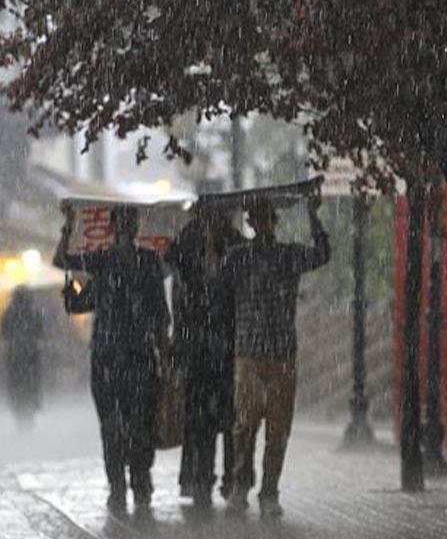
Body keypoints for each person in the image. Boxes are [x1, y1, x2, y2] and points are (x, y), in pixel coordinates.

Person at [54, 205, 170, 514]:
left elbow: (160, 312)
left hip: (139, 357)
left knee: (140, 423)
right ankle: (119, 484)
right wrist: (68, 227)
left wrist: (164, 351)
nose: (125, 229)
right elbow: (63, 262)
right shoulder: (102, 262)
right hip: (108, 357)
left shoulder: (147, 262)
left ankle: (139, 481)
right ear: (115, 227)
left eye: (128, 223)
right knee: (112, 425)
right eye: (121, 223)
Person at [221, 194, 330, 518]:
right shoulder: (238, 257)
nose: (262, 223)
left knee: (278, 429)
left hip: (281, 353)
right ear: (251, 223)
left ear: (273, 221)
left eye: (267, 217)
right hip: (249, 354)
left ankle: (270, 490)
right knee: (244, 425)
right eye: (257, 218)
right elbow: (215, 282)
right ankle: (241, 484)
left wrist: (314, 217)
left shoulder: (288, 255)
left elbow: (322, 254)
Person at [165, 207, 247, 509]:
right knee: (200, 419)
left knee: (229, 419)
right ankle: (201, 478)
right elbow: (180, 285)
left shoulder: (235, 243)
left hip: (225, 347)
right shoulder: (188, 242)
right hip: (198, 348)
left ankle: (231, 478)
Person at [0, 286, 44, 431]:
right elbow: (41, 332)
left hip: (14, 357)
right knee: (30, 388)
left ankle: (20, 420)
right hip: (31, 357)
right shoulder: (34, 312)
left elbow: (3, 333)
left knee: (17, 389)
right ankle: (28, 418)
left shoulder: (9, 313)